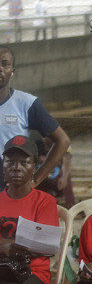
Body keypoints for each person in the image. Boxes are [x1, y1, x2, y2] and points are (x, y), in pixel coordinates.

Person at [0, 136, 59, 284]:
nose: (16, 168)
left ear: (35, 166)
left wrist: (9, 245)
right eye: (10, 161)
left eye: (24, 162)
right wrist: (5, 247)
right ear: (3, 165)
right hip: (3, 270)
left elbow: (46, 246)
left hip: (33, 275)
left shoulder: (44, 201)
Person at [0, 46, 71, 190]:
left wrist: (35, 180)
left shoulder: (26, 103)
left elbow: (63, 141)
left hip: (10, 188)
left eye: (5, 64)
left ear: (12, 71)